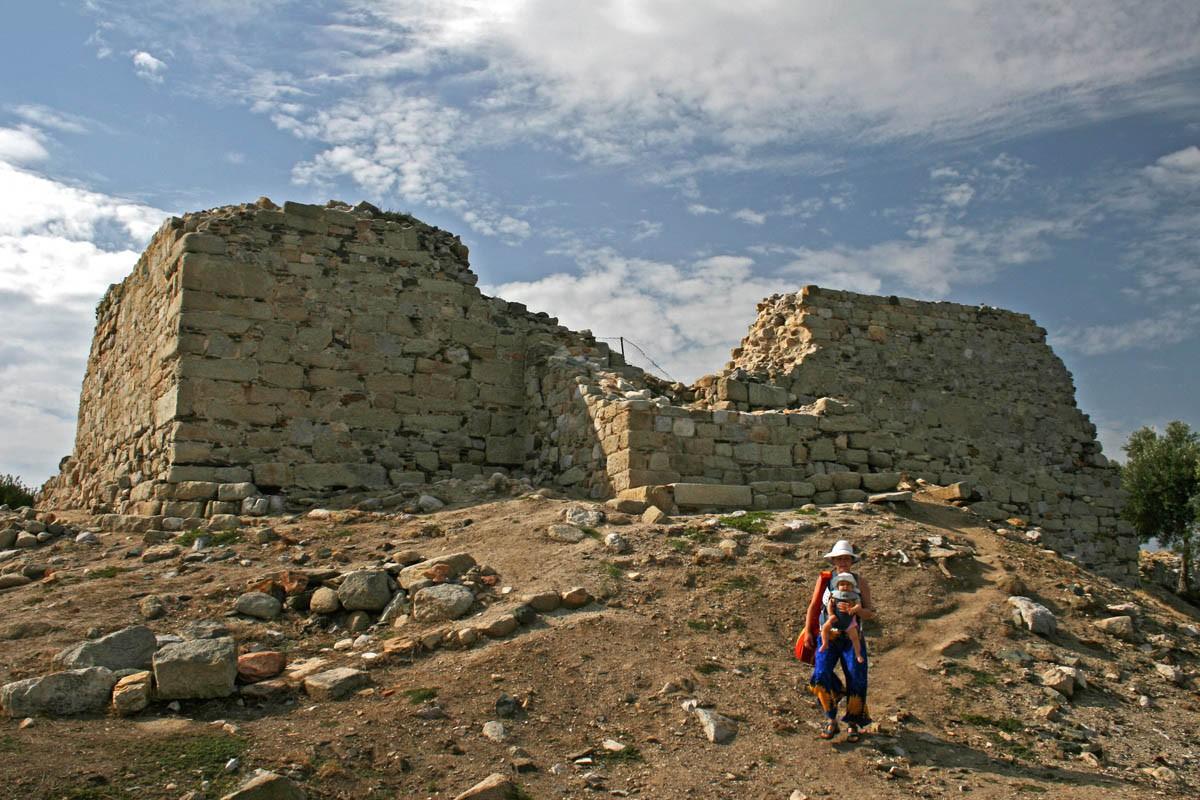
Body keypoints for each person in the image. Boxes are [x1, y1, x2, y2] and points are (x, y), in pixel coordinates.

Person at [801, 539, 874, 741]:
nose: (843, 561)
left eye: (846, 558)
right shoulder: (825, 579)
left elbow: (870, 612)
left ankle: (853, 723)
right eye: (839, 558)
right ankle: (830, 717)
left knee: (857, 675)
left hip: (852, 636)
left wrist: (858, 610)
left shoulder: (861, 582)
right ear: (833, 561)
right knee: (820, 672)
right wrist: (808, 630)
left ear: (851, 561)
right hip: (829, 634)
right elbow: (815, 606)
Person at [819, 572, 864, 664]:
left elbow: (859, 606)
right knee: (825, 628)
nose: (845, 586)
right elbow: (829, 605)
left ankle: (858, 654)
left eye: (848, 585)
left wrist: (853, 609)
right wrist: (831, 614)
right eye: (842, 584)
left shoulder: (854, 596)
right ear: (837, 586)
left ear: (852, 586)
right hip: (835, 618)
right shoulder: (834, 594)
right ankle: (824, 643)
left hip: (848, 620)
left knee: (855, 637)